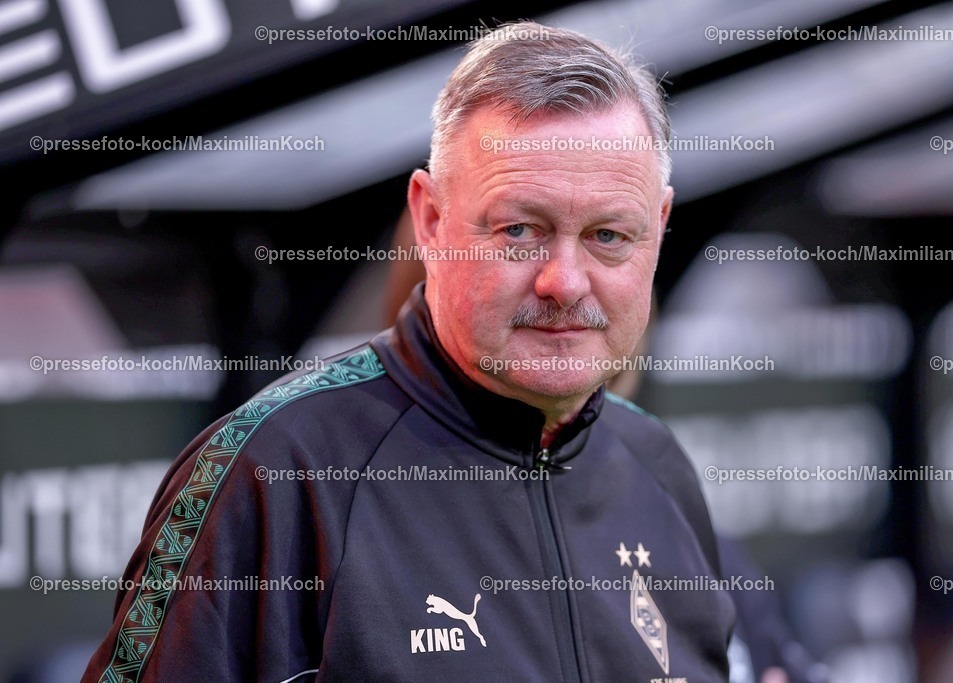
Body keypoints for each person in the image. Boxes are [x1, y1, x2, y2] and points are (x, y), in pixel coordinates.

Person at [83, 22, 734, 682]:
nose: (563, 280)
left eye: (608, 234)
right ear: (429, 220)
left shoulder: (660, 468)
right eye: (518, 229)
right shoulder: (271, 475)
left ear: (659, 225)